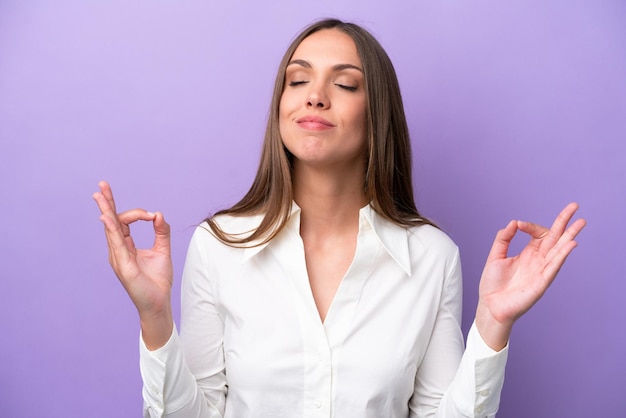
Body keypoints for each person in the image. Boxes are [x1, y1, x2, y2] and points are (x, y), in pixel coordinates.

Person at [93, 18, 586, 418]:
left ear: (378, 114)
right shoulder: (219, 246)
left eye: (345, 83)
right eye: (299, 79)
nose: (315, 95)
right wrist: (154, 318)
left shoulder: (432, 257)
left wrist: (492, 324)